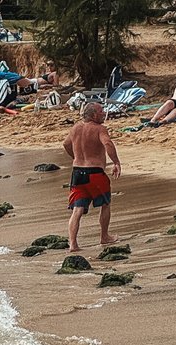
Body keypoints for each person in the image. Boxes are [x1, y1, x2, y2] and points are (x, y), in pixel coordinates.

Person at [63, 100, 121, 254]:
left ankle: (73, 244)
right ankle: (104, 236)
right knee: (105, 204)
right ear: (94, 115)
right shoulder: (99, 128)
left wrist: (75, 157)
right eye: (101, 111)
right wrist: (116, 162)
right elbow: (107, 143)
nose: (104, 113)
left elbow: (66, 144)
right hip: (95, 172)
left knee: (77, 209)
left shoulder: (75, 128)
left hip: (77, 173)